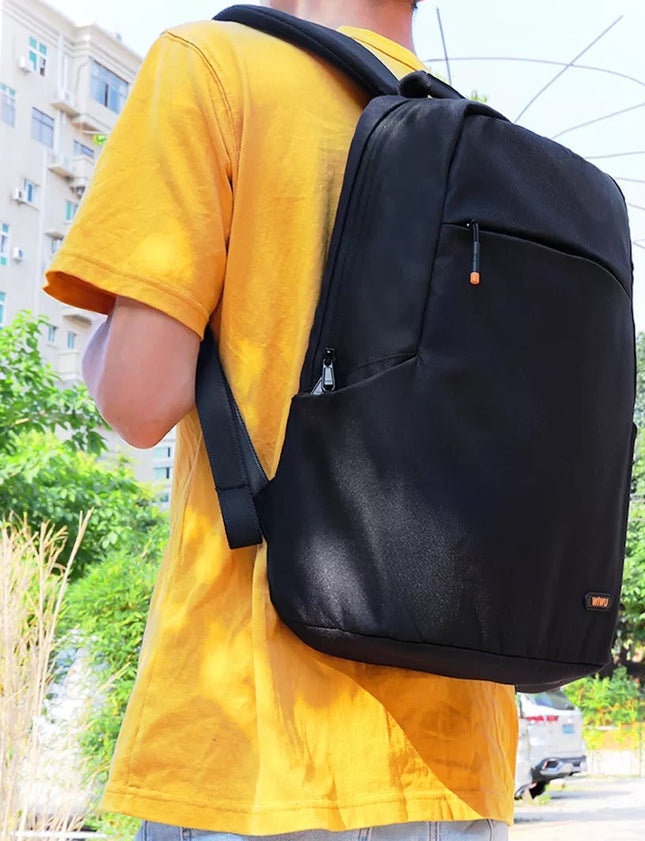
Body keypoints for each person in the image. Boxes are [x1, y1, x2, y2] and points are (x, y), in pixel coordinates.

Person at [44, 2, 518, 839]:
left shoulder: (214, 66)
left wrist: (106, 334)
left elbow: (139, 401)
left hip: (261, 754)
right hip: (459, 760)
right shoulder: (492, 152)